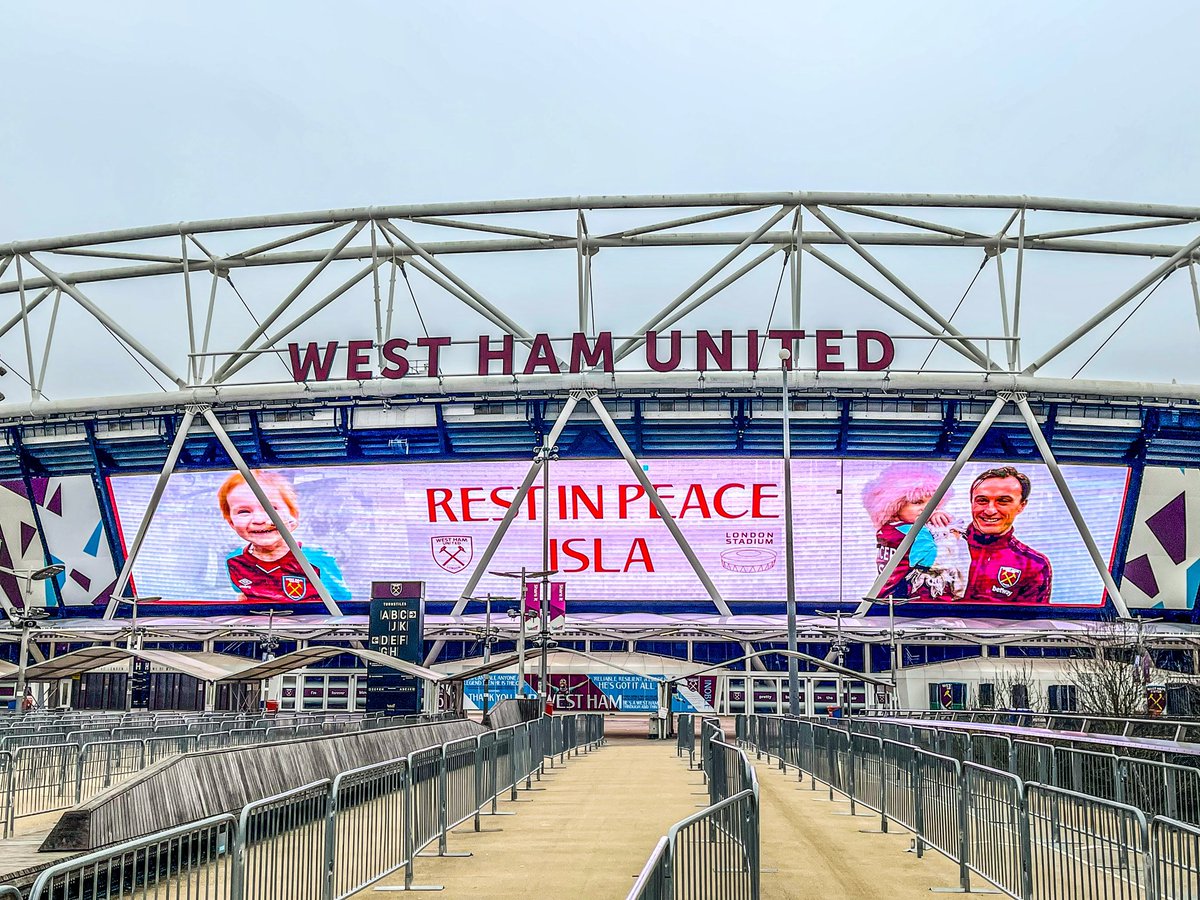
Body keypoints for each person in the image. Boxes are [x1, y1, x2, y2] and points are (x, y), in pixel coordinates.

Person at [219, 471, 351, 603]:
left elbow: (343, 603)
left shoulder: (315, 558)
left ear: (293, 514)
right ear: (231, 522)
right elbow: (243, 597)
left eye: (271, 508)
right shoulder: (234, 561)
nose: (259, 520)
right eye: (244, 512)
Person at [862, 463, 967, 601]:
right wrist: (950, 533)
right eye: (917, 502)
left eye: (932, 503)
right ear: (895, 505)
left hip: (885, 597)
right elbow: (933, 562)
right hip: (913, 601)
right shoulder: (917, 532)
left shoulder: (888, 530)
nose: (926, 509)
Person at [962, 466, 1052, 604]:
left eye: (1003, 501)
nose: (990, 510)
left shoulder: (1033, 565)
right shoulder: (943, 544)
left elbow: (1031, 623)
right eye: (982, 500)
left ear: (1021, 506)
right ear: (971, 502)